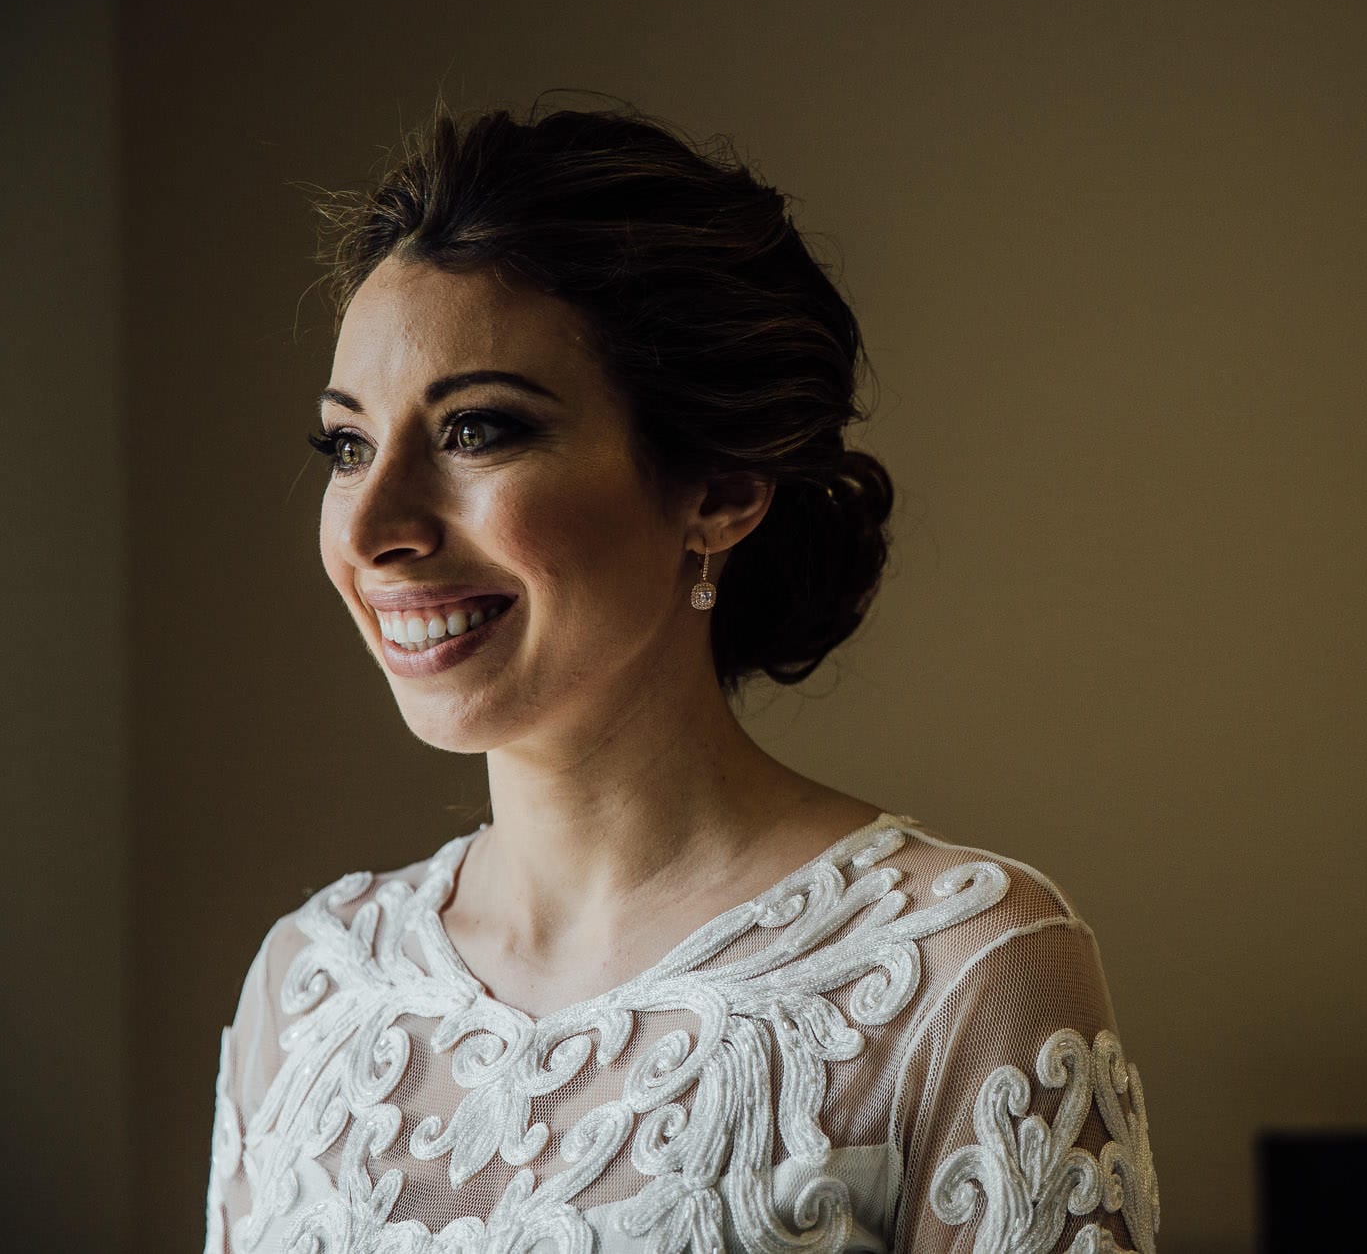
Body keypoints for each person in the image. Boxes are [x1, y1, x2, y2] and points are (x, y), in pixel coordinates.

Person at [204, 97, 1159, 1254]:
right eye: (348, 446)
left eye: (479, 431)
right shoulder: (310, 988)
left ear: (719, 491)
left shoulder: (962, 975)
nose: (374, 529)